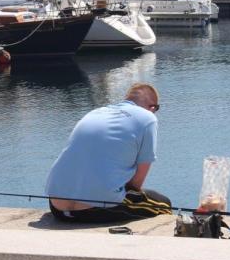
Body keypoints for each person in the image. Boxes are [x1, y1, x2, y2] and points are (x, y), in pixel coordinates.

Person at [45, 83, 172, 223]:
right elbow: (136, 184)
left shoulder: (95, 113)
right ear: (152, 107)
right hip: (94, 210)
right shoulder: (148, 118)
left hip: (57, 207)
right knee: (164, 205)